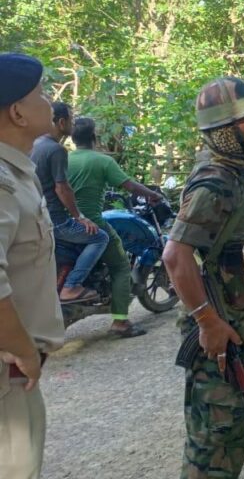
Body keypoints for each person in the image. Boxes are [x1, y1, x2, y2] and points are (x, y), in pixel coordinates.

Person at [162, 76, 244, 479]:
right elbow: (176, 256)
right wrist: (208, 321)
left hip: (238, 324)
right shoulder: (215, 183)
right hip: (222, 328)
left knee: (233, 429)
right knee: (215, 438)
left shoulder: (235, 174)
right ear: (226, 131)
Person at [0, 53, 64, 479]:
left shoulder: (18, 173)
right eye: (41, 94)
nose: (49, 103)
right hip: (8, 374)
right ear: (18, 113)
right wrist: (24, 351)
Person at [66, 117, 162, 338]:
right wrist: (153, 194)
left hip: (64, 224)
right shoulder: (102, 161)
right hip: (92, 223)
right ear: (94, 138)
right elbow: (129, 185)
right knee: (120, 267)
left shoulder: (64, 159)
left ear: (73, 138)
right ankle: (120, 322)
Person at [30, 102, 107, 303]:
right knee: (100, 237)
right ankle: (71, 286)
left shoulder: (35, 145)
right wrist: (79, 217)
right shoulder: (56, 150)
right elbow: (62, 188)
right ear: (62, 122)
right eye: (71, 119)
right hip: (57, 220)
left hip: (38, 216)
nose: (73, 124)